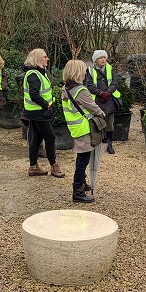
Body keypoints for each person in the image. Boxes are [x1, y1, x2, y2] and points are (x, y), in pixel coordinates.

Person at [62, 60, 106, 203]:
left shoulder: (66, 88)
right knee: (83, 160)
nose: (85, 73)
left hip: (75, 128)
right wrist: (102, 113)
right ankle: (78, 191)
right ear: (77, 72)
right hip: (84, 128)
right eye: (83, 70)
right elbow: (93, 106)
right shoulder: (81, 90)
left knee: (81, 159)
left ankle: (82, 183)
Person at [22, 48, 65, 178]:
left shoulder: (40, 73)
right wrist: (46, 105)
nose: (47, 59)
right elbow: (34, 94)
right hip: (38, 112)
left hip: (38, 111)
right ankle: (53, 165)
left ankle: (33, 166)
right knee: (50, 137)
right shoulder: (34, 74)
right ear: (38, 59)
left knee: (36, 138)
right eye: (45, 57)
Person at [86, 49, 121, 154]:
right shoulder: (90, 70)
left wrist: (107, 93)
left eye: (104, 57)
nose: (103, 59)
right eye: (101, 58)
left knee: (110, 124)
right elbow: (89, 85)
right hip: (97, 100)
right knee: (98, 122)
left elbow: (115, 83)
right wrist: (101, 93)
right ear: (96, 60)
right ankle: (99, 142)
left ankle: (109, 143)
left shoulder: (110, 69)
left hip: (109, 100)